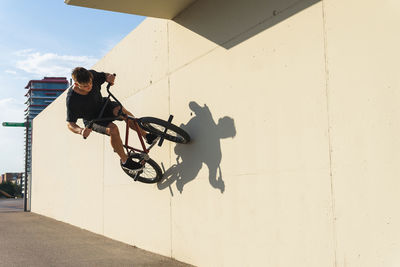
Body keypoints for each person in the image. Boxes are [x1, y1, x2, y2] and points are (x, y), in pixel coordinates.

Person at [66, 67, 157, 171]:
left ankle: (146, 136)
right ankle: (125, 161)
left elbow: (105, 75)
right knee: (113, 129)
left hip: (103, 105)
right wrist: (81, 131)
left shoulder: (91, 74)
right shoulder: (72, 99)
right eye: (86, 86)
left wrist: (109, 77)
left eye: (91, 83)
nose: (90, 87)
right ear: (77, 85)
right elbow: (70, 123)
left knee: (122, 112)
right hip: (93, 119)